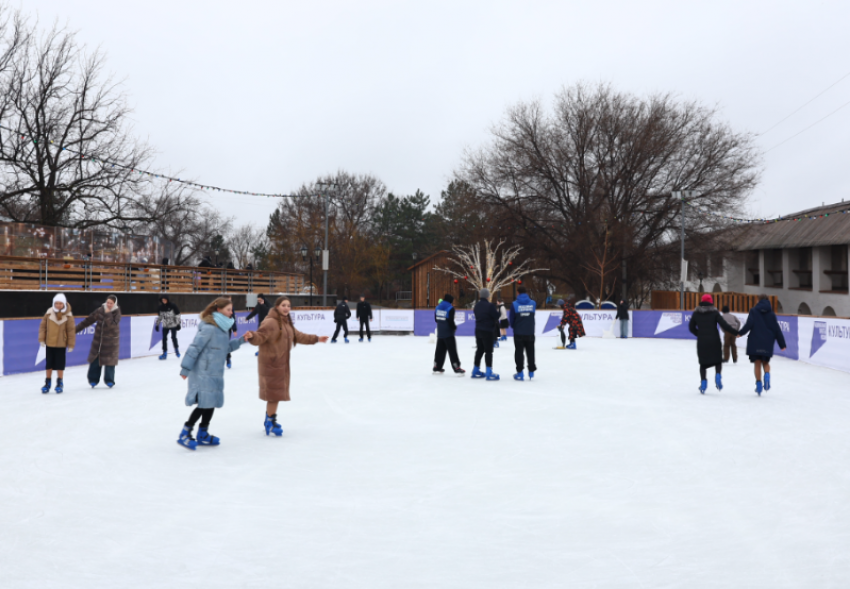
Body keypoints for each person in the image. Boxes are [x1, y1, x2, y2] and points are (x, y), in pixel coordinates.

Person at [245, 296, 329, 436]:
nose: (286, 308)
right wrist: (252, 336)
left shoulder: (286, 322)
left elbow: (298, 336)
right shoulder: (271, 322)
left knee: (275, 394)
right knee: (274, 395)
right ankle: (270, 421)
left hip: (280, 364)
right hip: (271, 364)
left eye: (288, 306)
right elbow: (260, 336)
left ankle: (269, 419)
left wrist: (316, 338)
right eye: (283, 305)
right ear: (277, 306)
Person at [176, 297, 250, 450]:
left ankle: (203, 433)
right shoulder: (209, 327)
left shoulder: (223, 328)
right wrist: (185, 369)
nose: (231, 313)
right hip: (203, 371)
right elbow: (195, 347)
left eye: (231, 310)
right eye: (229, 310)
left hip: (215, 371)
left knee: (211, 403)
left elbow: (225, 349)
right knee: (204, 404)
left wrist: (242, 340)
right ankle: (185, 432)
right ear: (219, 310)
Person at [688, 294, 739, 394]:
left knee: (703, 364)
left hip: (702, 341)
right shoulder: (715, 313)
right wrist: (735, 332)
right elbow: (724, 324)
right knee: (717, 361)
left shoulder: (696, 313)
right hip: (714, 340)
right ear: (711, 302)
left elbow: (691, 327)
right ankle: (718, 376)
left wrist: (699, 334)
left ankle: (703, 383)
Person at [738, 294, 787, 395]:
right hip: (768, 342)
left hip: (755, 340)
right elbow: (777, 329)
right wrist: (782, 344)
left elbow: (749, 324)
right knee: (765, 362)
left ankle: (759, 384)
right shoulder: (772, 314)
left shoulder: (753, 311)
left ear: (758, 300)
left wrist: (740, 333)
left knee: (757, 363)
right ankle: (767, 374)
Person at [75, 295, 121, 388]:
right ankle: (93, 380)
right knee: (95, 360)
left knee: (109, 362)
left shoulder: (117, 312)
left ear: (114, 304)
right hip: (99, 341)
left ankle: (109, 380)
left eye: (111, 303)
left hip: (111, 342)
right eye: (107, 302)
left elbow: (112, 325)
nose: (108, 304)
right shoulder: (100, 310)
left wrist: (108, 314)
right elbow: (88, 320)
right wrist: (74, 330)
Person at [38, 293, 76, 394]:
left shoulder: (68, 316)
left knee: (60, 364)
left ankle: (60, 382)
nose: (58, 305)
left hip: (61, 344)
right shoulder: (49, 313)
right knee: (49, 364)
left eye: (60, 303)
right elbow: (43, 327)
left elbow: (71, 331)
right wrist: (42, 339)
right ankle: (47, 382)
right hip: (49, 343)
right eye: (56, 303)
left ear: (64, 304)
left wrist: (71, 344)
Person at [472, 288, 500, 380]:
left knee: (480, 350)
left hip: (478, 330)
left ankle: (475, 369)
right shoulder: (490, 306)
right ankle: (489, 371)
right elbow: (496, 316)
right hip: (487, 330)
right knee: (488, 351)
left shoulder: (477, 306)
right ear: (488, 296)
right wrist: (498, 311)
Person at [433, 294, 465, 375]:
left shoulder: (437, 307)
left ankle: (437, 366)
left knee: (439, 351)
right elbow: (451, 321)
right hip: (448, 333)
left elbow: (436, 319)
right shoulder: (450, 308)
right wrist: (454, 327)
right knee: (452, 351)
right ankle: (456, 367)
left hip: (440, 332)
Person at [509, 286, 536, 381]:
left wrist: (514, 326)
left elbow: (511, 319)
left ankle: (520, 372)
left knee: (519, 352)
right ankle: (531, 372)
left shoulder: (514, 304)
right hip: (530, 332)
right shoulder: (533, 303)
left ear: (518, 293)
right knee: (531, 352)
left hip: (518, 333)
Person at [154, 295, 181, 360]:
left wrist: (178, 324)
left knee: (173, 337)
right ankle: (164, 353)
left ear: (167, 300)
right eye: (163, 300)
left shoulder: (172, 305)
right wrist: (157, 324)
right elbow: (160, 317)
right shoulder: (160, 307)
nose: (164, 301)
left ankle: (176, 350)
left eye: (165, 300)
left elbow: (177, 314)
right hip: (165, 325)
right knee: (164, 338)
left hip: (173, 325)